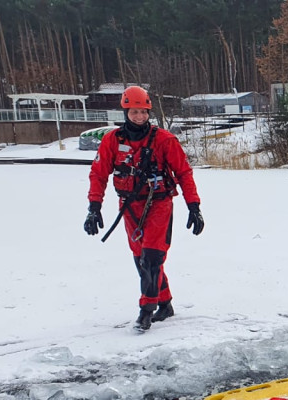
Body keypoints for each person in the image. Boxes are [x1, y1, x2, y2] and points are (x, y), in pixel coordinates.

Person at [85, 86, 204, 331]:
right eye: (134, 112)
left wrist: (194, 206)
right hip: (129, 207)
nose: (139, 116)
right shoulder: (112, 141)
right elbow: (98, 174)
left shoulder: (164, 140)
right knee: (142, 259)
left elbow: (183, 173)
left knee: (152, 258)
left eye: (143, 112)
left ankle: (146, 310)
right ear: (125, 111)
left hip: (159, 204)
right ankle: (165, 303)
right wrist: (94, 207)